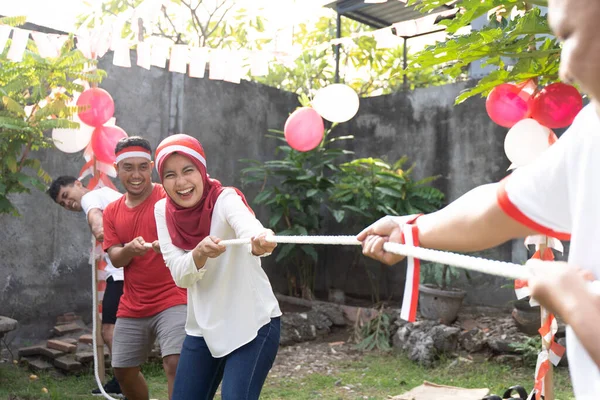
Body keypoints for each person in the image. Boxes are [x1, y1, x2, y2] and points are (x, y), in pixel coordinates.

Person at [358, 0, 600, 397]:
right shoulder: (592, 131)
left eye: (569, 37)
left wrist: (577, 306)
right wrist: (410, 228)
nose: (564, 70)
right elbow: (497, 209)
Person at [152, 134, 281, 400]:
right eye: (170, 175)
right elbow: (179, 274)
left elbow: (249, 228)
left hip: (252, 323)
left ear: (201, 170)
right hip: (202, 328)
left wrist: (259, 242)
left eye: (188, 170)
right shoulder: (161, 210)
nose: (181, 182)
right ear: (162, 180)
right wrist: (199, 254)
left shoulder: (225, 199)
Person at [102, 136, 187, 400]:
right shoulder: (112, 211)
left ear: (151, 166)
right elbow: (115, 258)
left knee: (175, 362)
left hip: (174, 296)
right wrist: (129, 250)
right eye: (128, 167)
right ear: (117, 170)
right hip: (133, 303)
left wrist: (173, 243)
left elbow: (194, 232)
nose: (136, 174)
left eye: (142, 166)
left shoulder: (169, 194)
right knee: (122, 370)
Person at [47, 176, 124, 397]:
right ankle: (124, 382)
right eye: (63, 204)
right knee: (119, 330)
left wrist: (99, 230)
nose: (67, 204)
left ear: (78, 184)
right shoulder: (106, 196)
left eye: (66, 196)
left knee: (110, 331)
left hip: (122, 274)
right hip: (122, 270)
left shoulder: (93, 197)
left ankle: (126, 383)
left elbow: (96, 219)